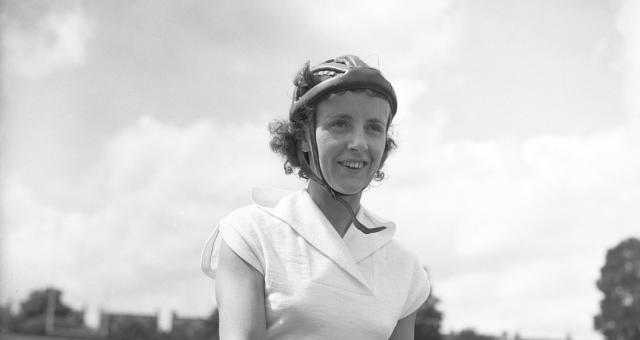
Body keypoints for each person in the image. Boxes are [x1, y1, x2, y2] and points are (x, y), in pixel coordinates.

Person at [201, 55, 430, 340]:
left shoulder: (406, 269)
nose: (359, 143)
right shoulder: (249, 233)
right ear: (302, 139)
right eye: (340, 124)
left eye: (374, 127)